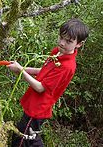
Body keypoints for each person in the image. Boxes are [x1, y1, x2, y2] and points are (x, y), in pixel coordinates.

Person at [7, 18, 89, 146]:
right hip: (34, 103)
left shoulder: (67, 66)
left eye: (68, 41)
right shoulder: (58, 52)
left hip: (38, 108)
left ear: (79, 44)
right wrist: (22, 69)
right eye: (61, 37)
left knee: (24, 139)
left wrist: (21, 72)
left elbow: (40, 88)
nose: (62, 43)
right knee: (23, 135)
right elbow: (43, 70)